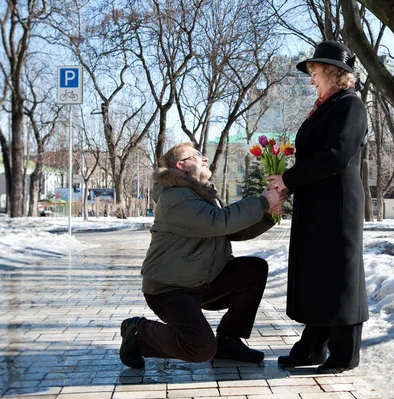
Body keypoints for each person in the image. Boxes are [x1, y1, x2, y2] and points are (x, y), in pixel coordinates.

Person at [119, 142, 285, 369]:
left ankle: (228, 341)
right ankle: (139, 332)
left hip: (202, 283)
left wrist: (266, 216)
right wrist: (262, 201)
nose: (204, 159)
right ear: (181, 165)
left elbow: (229, 230)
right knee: (200, 347)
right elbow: (217, 222)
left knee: (252, 269)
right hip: (170, 290)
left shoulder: (198, 194)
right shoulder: (175, 197)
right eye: (197, 155)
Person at [267, 41, 369, 374]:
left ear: (333, 73)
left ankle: (345, 353)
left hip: (339, 204)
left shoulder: (350, 105)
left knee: (340, 276)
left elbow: (336, 156)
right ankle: (313, 347)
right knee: (321, 275)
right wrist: (289, 182)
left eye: (315, 73)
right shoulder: (328, 105)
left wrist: (289, 179)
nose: (311, 79)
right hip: (319, 202)